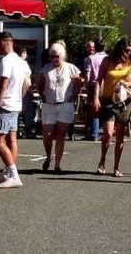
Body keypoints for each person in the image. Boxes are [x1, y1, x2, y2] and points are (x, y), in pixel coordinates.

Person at [93, 37, 131, 177]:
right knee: (107, 133)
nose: (129, 53)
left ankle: (116, 166)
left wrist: (128, 84)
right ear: (120, 49)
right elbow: (99, 79)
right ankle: (102, 161)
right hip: (108, 100)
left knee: (120, 136)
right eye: (126, 50)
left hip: (125, 102)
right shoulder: (107, 61)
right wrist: (96, 98)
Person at [38, 42, 83, 172]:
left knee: (61, 135)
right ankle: (48, 156)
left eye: (57, 56)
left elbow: (78, 82)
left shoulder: (71, 68)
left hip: (65, 104)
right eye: (52, 56)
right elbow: (40, 84)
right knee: (47, 134)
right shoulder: (46, 69)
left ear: (62, 56)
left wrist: (74, 95)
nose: (54, 59)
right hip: (49, 105)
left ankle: (57, 164)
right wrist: (42, 96)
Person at [0, 32, 28, 188]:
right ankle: (9, 172)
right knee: (10, 139)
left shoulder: (5, 61)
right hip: (16, 104)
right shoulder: (20, 61)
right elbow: (26, 84)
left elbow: (2, 86)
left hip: (5, 105)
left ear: (2, 42)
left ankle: (13, 175)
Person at [83, 40, 107, 141]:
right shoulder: (108, 58)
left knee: (94, 109)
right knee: (105, 108)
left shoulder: (90, 58)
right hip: (106, 85)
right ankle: (105, 132)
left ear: (95, 47)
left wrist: (85, 84)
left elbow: (88, 75)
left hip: (93, 85)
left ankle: (94, 133)